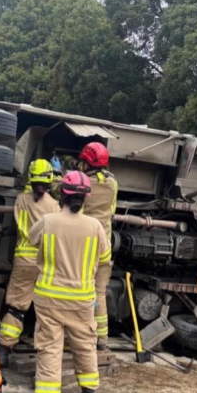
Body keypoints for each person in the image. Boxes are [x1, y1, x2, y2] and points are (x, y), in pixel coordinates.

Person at [28, 170, 110, 393]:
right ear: (85, 198)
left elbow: (32, 240)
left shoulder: (48, 221)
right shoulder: (95, 226)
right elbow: (105, 258)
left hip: (49, 298)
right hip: (82, 300)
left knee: (50, 346)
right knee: (85, 345)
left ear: (62, 194)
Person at [54, 142, 119, 365]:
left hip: (84, 247)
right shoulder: (112, 184)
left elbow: (60, 190)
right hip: (104, 247)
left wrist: (60, 173)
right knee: (98, 293)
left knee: (72, 290)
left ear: (86, 162)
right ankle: (101, 339)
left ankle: (69, 338)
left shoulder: (83, 184)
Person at [0, 159, 61, 367]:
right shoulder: (54, 206)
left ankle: (4, 351)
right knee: (47, 310)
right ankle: (44, 354)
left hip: (23, 260)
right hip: (45, 262)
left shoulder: (21, 199)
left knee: (16, 306)